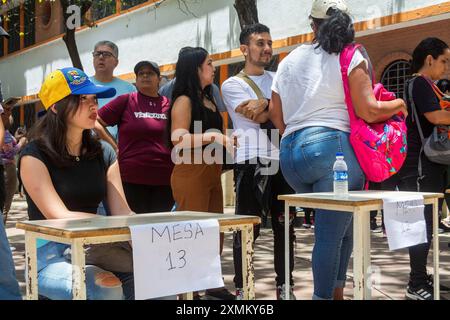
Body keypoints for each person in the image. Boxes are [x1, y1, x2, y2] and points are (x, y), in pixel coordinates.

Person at [269, 0, 407, 300]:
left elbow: (275, 113)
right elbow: (369, 110)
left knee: (343, 229)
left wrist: (300, 138)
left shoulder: (288, 59)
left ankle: (336, 294)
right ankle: (322, 297)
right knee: (331, 235)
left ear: (312, 25)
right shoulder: (350, 54)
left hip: (291, 155)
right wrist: (398, 104)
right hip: (333, 150)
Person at [19, 67, 135, 300]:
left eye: (95, 99)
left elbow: (124, 212)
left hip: (98, 250)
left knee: (159, 278)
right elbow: (58, 215)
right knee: (106, 288)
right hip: (49, 255)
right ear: (55, 107)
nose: (94, 106)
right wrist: (111, 224)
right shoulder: (34, 155)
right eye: (83, 99)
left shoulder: (104, 152)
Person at [221, 23, 296, 300]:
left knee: (285, 227)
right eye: (260, 43)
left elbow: (288, 110)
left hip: (282, 161)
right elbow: (260, 117)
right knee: (246, 229)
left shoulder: (278, 77)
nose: (267, 48)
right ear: (244, 49)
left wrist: (263, 101)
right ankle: (243, 288)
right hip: (250, 162)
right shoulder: (232, 84)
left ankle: (285, 287)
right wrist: (271, 105)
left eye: (269, 43)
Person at [169, 47, 236, 300]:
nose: (214, 67)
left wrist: (227, 138)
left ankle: (211, 282)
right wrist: (213, 135)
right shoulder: (184, 100)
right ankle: (188, 292)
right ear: (195, 68)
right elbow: (178, 137)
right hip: (190, 172)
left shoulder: (209, 97)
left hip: (212, 172)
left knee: (213, 231)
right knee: (193, 233)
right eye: (209, 63)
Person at [397, 37, 449, 300]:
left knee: (429, 223)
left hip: (429, 163)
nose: (445, 67)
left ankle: (421, 276)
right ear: (430, 60)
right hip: (418, 165)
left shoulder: (427, 84)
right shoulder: (419, 83)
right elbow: (436, 117)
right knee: (421, 226)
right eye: (444, 61)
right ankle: (416, 282)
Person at [96, 61, 174, 213]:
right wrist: (114, 146)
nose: (145, 76)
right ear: (136, 80)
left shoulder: (170, 105)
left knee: (159, 229)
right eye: (141, 73)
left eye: (150, 73)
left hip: (164, 179)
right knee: (133, 229)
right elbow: (96, 121)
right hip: (130, 179)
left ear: (159, 79)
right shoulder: (126, 100)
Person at [89, 40, 136, 140]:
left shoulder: (129, 89)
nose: (101, 57)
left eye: (106, 54)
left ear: (116, 62)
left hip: (119, 147)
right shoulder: (83, 86)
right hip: (87, 146)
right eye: (97, 54)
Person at [1, 97, 27, 223]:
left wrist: (16, 139)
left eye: (11, 109)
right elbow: (10, 152)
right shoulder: (3, 132)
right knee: (5, 206)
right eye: (6, 109)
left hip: (6, 168)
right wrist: (21, 143)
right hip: (7, 168)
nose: (10, 112)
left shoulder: (5, 132)